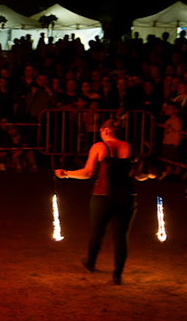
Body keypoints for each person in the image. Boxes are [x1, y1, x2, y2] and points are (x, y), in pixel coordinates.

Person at [57, 115, 154, 285]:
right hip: (127, 197)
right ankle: (117, 275)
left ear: (106, 130)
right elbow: (138, 176)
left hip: (103, 196)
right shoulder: (131, 148)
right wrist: (150, 176)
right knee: (121, 237)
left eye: (101, 131)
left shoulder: (99, 147)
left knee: (97, 232)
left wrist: (66, 173)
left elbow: (87, 173)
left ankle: (90, 263)